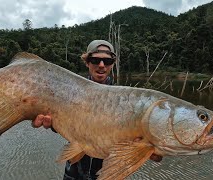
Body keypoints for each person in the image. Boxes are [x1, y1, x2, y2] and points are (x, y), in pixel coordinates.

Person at [32, 40, 162, 180]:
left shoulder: (126, 101)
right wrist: (51, 123)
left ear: (112, 64)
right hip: (74, 172)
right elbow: (62, 122)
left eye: (107, 61)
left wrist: (152, 149)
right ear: (87, 62)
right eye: (95, 60)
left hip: (108, 173)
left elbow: (145, 149)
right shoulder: (69, 92)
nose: (101, 65)